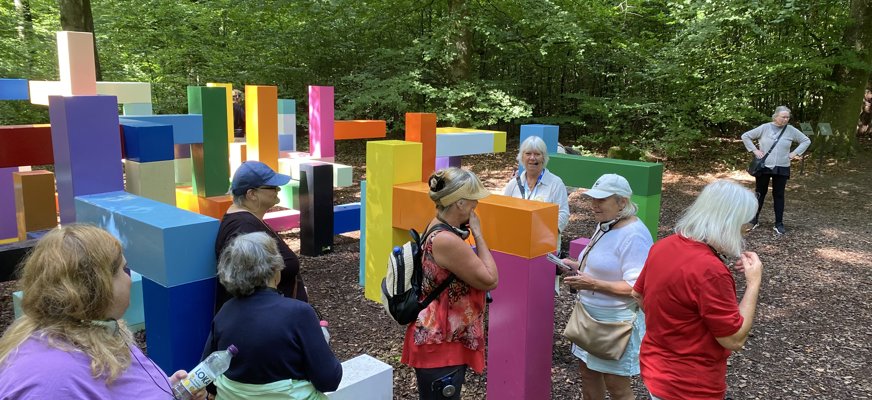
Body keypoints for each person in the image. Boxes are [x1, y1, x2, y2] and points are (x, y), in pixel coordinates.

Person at [0, 224, 204, 399]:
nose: (129, 279)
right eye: (123, 270)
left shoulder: (99, 329)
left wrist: (168, 389)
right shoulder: (50, 381)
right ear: (97, 286)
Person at [632, 179, 763, 400]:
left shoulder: (664, 245)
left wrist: (672, 328)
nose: (746, 232)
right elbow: (733, 339)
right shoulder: (710, 271)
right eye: (747, 225)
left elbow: (638, 294)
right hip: (691, 385)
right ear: (730, 223)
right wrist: (754, 283)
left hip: (656, 370)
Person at [203, 232, 342, 399]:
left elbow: (207, 377)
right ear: (275, 268)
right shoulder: (299, 313)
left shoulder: (225, 312)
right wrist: (322, 343)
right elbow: (329, 380)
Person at [401, 167, 499, 400]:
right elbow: (490, 279)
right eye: (473, 200)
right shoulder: (446, 240)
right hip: (441, 343)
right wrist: (479, 234)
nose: (476, 204)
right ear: (460, 204)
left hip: (438, 338)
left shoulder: (437, 224)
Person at [560, 174, 652, 400]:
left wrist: (592, 283)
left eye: (601, 200)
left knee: (616, 385)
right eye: (593, 199)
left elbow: (636, 288)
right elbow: (603, 264)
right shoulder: (606, 225)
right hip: (588, 316)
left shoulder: (634, 235)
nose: (594, 205)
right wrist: (576, 265)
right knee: (587, 373)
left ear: (622, 202)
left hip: (615, 323)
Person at [214, 160, 307, 314]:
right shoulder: (243, 229)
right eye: (271, 187)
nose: (277, 189)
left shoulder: (247, 221)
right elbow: (248, 286)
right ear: (252, 194)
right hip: (269, 325)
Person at [741, 105, 811, 235]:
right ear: (776, 116)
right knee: (759, 193)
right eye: (783, 117)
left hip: (782, 166)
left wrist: (794, 153)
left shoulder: (790, 130)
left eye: (787, 117)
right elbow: (745, 136)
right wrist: (755, 150)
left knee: (779, 195)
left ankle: (779, 223)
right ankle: (753, 220)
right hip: (764, 166)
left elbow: (806, 141)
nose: (785, 119)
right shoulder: (764, 127)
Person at [502, 136, 570, 241]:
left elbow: (563, 214)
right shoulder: (513, 184)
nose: (532, 158)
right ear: (522, 157)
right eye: (528, 154)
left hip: (544, 243)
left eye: (537, 154)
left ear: (543, 157)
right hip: (516, 241)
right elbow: (503, 212)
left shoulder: (555, 183)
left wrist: (544, 234)